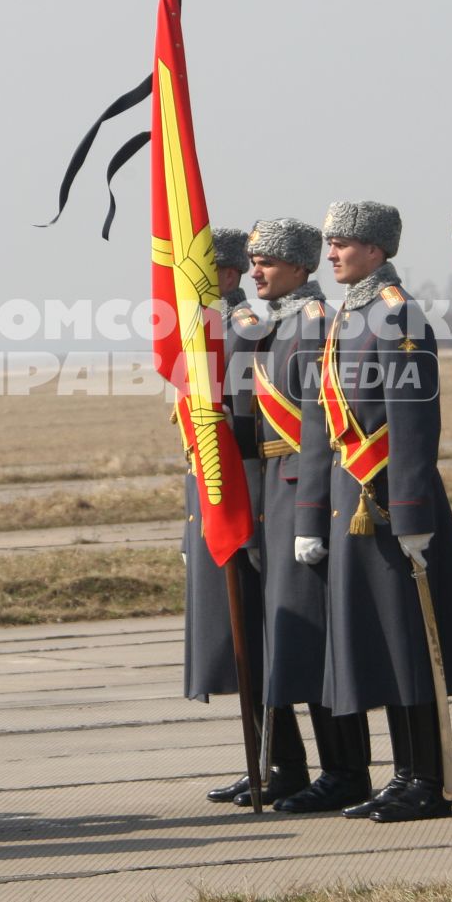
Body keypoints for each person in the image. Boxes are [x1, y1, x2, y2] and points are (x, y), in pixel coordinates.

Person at [299, 200, 452, 822]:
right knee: (382, 645)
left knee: (413, 646)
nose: (331, 253)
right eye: (329, 242)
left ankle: (429, 780)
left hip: (385, 503)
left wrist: (411, 517)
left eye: (343, 244)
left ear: (376, 251)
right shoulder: (351, 316)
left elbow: (412, 423)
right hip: (353, 501)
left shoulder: (395, 315)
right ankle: (402, 773)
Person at [244, 216, 372, 812]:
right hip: (278, 490)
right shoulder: (280, 326)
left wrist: (311, 516)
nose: (254, 271)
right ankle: (304, 770)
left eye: (266, 261)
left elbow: (323, 429)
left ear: (299, 266)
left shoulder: (318, 324)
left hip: (305, 491)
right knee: (294, 641)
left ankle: (346, 770)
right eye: (252, 260)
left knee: (320, 644)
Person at [190, 228, 275, 806]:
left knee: (258, 636)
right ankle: (264, 758)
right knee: (237, 633)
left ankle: (273, 760)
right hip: (211, 496)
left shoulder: (247, 333)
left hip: (242, 497)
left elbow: (248, 431)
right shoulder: (203, 334)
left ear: (226, 275)